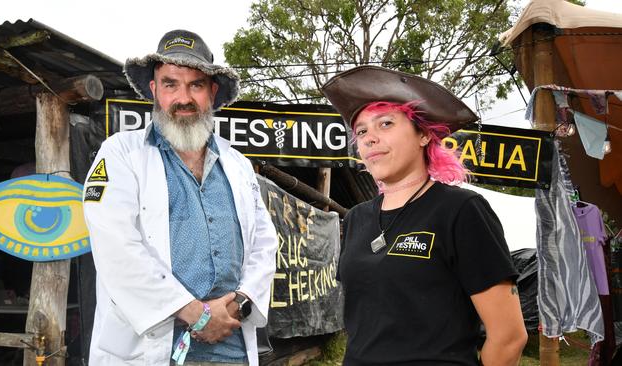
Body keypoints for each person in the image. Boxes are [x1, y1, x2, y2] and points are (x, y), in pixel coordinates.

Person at [83, 30, 277, 366]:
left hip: (230, 346)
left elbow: (264, 243)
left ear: (212, 93)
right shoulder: (119, 154)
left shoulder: (238, 164)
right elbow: (116, 246)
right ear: (155, 90)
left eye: (196, 85)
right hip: (151, 348)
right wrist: (196, 314)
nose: (183, 98)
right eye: (171, 84)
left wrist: (240, 301)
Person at [322, 65, 528, 365]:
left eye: (386, 124)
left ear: (423, 135)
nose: (369, 138)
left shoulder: (461, 210)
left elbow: (509, 336)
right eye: (362, 131)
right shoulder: (356, 218)